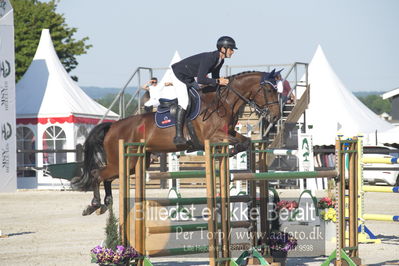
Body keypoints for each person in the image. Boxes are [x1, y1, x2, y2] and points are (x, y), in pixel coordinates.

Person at [171, 36, 237, 145]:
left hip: (188, 77)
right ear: (223, 49)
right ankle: (178, 136)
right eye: (231, 49)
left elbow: (215, 76)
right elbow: (201, 79)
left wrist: (221, 85)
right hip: (178, 75)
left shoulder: (220, 60)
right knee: (184, 102)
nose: (233, 52)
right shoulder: (210, 58)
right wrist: (218, 82)